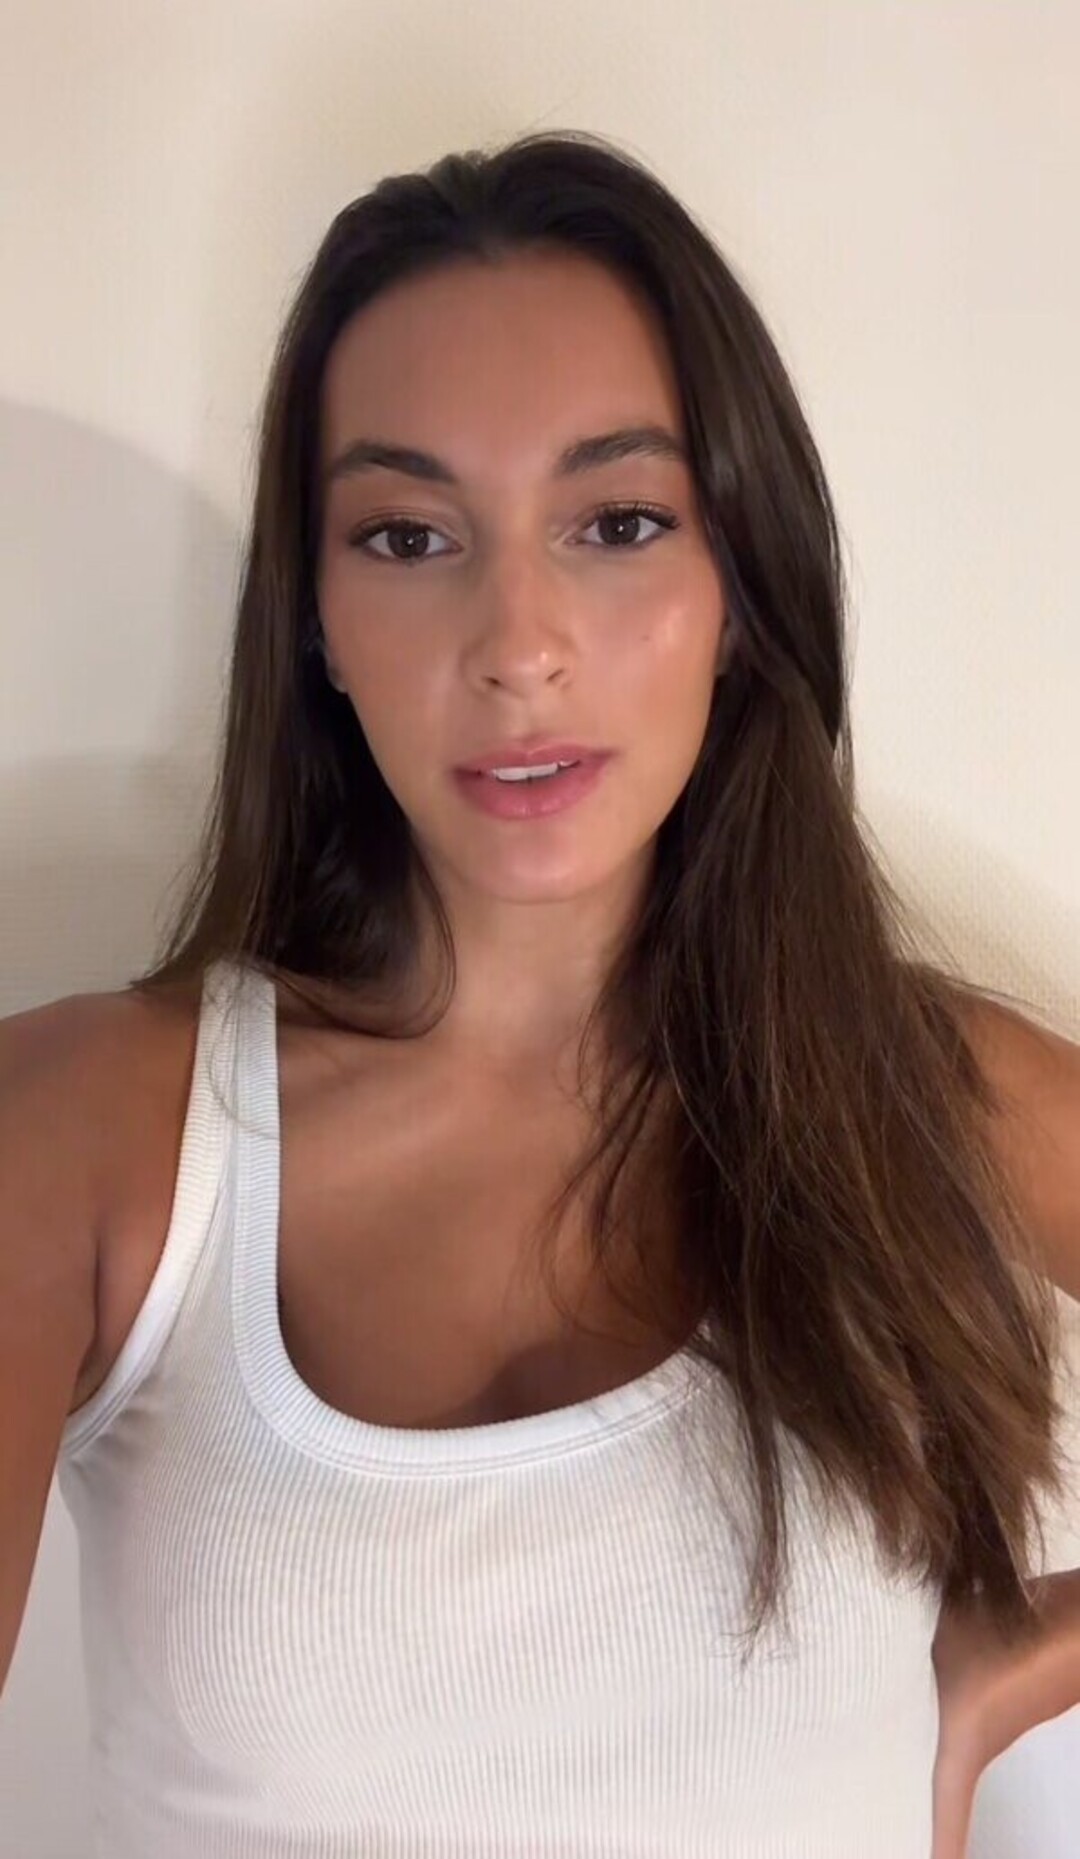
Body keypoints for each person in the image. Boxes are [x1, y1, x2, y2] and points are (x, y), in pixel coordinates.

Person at [2, 128, 1078, 1859]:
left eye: (619, 522)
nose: (516, 645)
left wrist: (1001, 1670)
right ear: (315, 621)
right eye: (409, 535)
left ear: (740, 591)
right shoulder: (87, 1140)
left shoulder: (920, 1098)